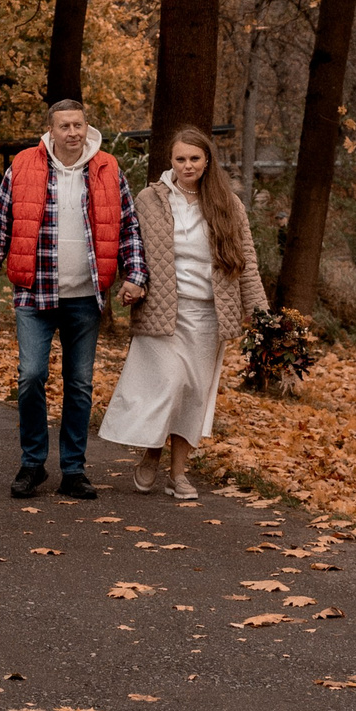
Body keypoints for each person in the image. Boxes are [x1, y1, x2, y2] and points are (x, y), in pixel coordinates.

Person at [0, 99, 146, 500]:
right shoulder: (23, 166)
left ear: (87, 127)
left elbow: (127, 226)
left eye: (78, 125)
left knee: (80, 384)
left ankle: (73, 469)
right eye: (64, 126)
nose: (72, 132)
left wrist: (135, 275)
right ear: (50, 131)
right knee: (31, 376)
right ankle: (32, 464)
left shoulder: (108, 168)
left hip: (86, 296)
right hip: (34, 293)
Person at [98, 125, 267, 501]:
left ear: (207, 161)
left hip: (208, 315)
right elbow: (132, 246)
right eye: (180, 159)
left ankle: (178, 474)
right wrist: (131, 281)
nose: (187, 165)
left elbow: (247, 263)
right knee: (168, 386)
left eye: (194, 158)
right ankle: (151, 454)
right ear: (170, 161)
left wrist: (262, 315)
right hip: (162, 310)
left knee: (193, 395)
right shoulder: (150, 199)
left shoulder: (227, 204)